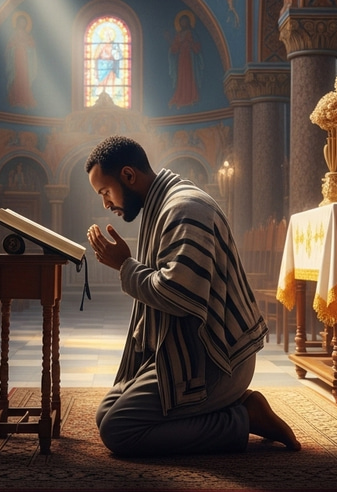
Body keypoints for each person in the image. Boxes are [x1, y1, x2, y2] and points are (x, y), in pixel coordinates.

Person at [85, 135, 300, 457]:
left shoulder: (185, 208)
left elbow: (178, 294)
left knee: (119, 430)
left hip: (216, 358)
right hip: (186, 349)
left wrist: (125, 265)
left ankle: (242, 418)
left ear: (128, 175)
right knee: (106, 414)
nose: (105, 203)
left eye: (105, 192)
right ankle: (234, 405)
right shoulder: (163, 204)